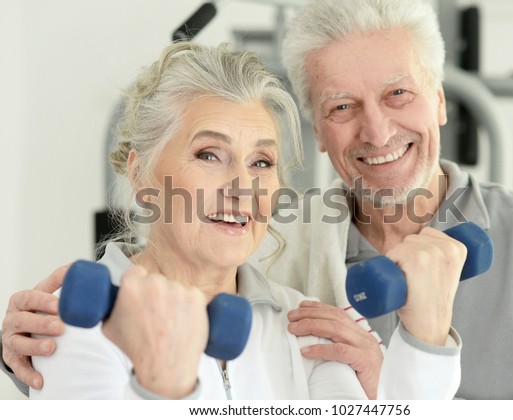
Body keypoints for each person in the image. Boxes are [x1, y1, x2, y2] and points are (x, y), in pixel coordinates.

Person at [3, 0, 513, 400]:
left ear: (440, 100)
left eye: (262, 162)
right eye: (342, 106)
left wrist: (415, 355)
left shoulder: (305, 320)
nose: (378, 130)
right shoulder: (282, 262)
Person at [4, 39, 461, 400]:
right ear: (141, 174)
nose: (243, 187)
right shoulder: (68, 321)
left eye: (261, 162)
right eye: (209, 154)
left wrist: (425, 346)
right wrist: (162, 385)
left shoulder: (310, 327)